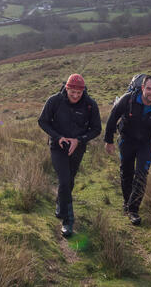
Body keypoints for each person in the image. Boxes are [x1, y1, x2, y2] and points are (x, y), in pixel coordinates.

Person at [38, 73, 102, 237]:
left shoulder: (90, 105)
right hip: (58, 147)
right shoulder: (54, 101)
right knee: (65, 180)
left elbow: (96, 129)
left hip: (77, 148)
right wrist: (58, 137)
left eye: (78, 93)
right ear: (66, 88)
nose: (75, 96)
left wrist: (79, 140)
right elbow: (42, 121)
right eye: (72, 92)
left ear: (83, 91)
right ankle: (68, 221)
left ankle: (61, 202)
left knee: (69, 181)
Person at [104, 74, 151, 226]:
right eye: (148, 88)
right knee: (126, 172)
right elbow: (113, 117)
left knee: (141, 175)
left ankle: (133, 210)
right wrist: (109, 141)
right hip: (126, 141)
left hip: (146, 144)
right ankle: (127, 202)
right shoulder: (128, 99)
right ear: (142, 88)